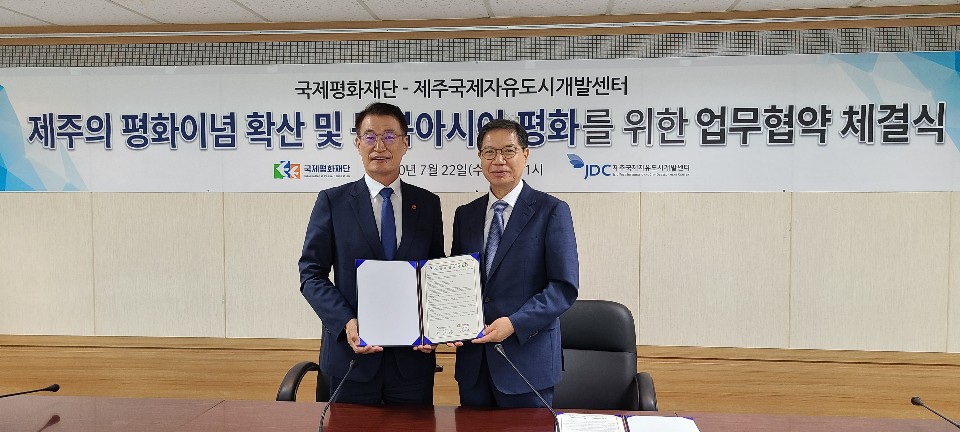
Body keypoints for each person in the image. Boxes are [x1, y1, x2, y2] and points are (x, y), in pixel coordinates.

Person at [298, 102, 443, 405]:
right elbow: (311, 274)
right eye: (370, 137)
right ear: (357, 144)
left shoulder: (427, 204)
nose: (379, 146)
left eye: (389, 136)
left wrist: (436, 326)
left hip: (412, 364)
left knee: (412, 429)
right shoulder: (333, 202)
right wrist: (346, 321)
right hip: (351, 359)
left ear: (405, 143)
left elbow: (435, 274)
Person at [449, 118, 579, 408]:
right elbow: (459, 280)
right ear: (480, 157)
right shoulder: (465, 215)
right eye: (489, 152)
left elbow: (563, 287)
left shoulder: (551, 211)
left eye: (508, 151)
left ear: (525, 154)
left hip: (527, 363)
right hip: (474, 365)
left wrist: (514, 323)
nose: (499, 160)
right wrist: (448, 323)